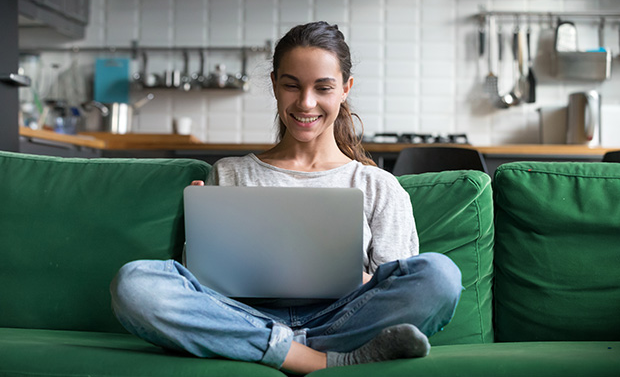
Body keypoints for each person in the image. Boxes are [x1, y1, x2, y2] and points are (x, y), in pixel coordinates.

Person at [110, 21, 462, 375]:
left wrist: (355, 278)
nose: (306, 103)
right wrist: (200, 236)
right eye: (291, 85)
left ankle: (265, 349)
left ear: (345, 89)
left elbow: (396, 285)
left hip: (342, 320)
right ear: (275, 85)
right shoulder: (230, 173)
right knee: (134, 284)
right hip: (245, 317)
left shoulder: (377, 185)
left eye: (322, 87)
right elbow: (204, 287)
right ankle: (315, 359)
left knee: (440, 275)